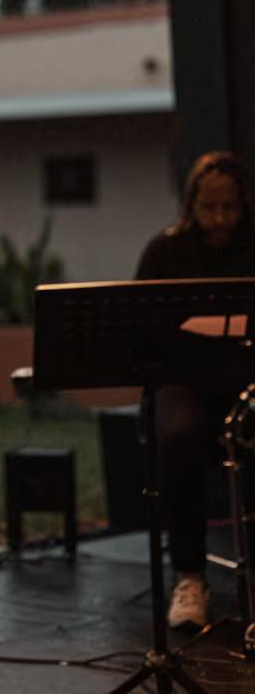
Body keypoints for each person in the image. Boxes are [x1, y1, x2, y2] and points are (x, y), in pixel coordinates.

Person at [134, 150, 255, 630]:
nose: (221, 218)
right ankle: (189, 576)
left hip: (247, 383)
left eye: (230, 206)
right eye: (210, 207)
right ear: (191, 205)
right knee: (179, 433)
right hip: (184, 382)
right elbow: (140, 334)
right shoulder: (165, 253)